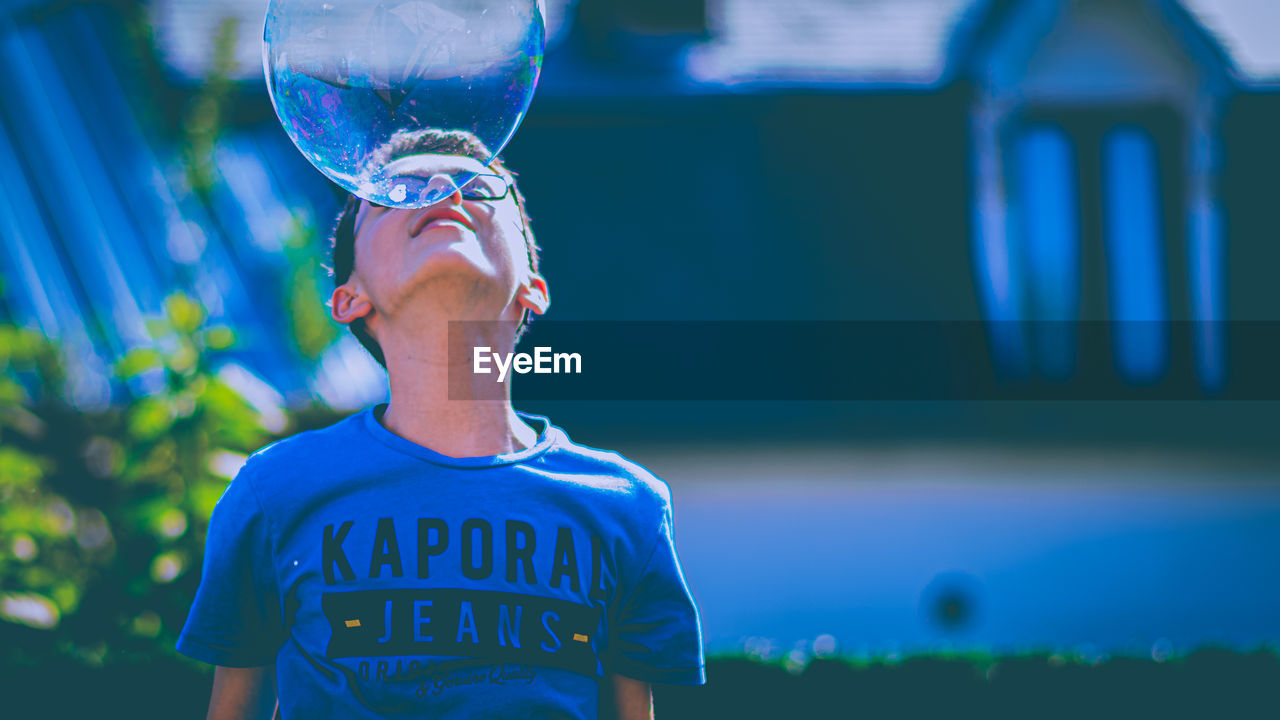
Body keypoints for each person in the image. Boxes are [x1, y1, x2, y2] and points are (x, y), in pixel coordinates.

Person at [176, 129, 706, 720]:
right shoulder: (274, 491)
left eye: (477, 190)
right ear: (349, 298)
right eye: (394, 194)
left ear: (532, 289)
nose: (438, 190)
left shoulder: (627, 506)